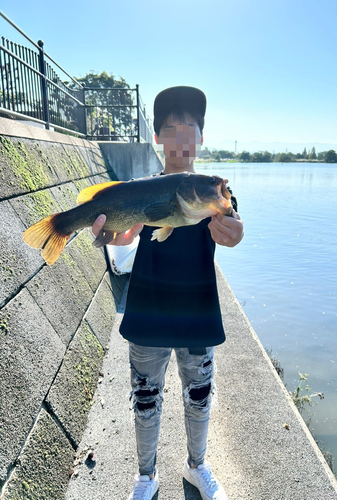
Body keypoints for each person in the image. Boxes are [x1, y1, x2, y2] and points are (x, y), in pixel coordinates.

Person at [92, 86, 244, 500]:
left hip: (198, 314)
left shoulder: (213, 192)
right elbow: (122, 248)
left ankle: (197, 467)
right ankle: (146, 476)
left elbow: (233, 230)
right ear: (158, 137)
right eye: (171, 129)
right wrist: (115, 236)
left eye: (189, 129)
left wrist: (235, 233)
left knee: (199, 398)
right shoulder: (141, 189)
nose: (181, 139)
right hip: (147, 312)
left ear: (200, 137)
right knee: (145, 399)